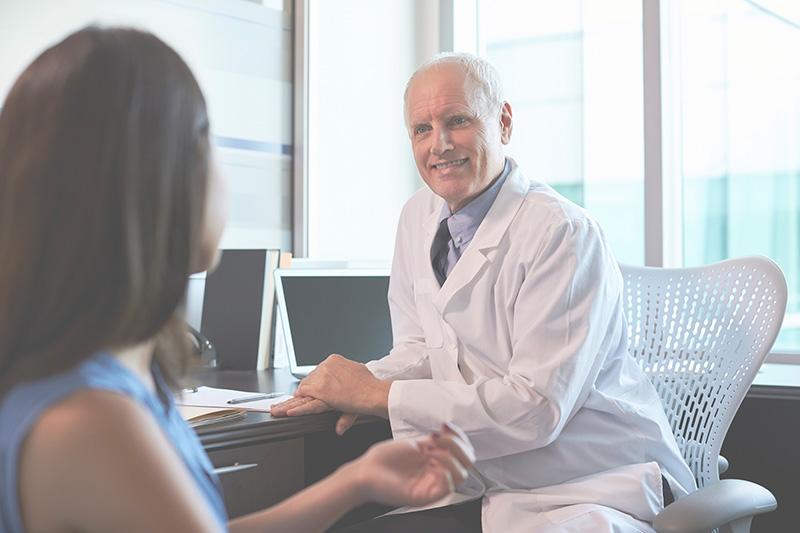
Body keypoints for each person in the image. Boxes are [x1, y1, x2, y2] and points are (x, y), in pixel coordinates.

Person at [0, 28, 475, 533]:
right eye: (207, 141)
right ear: (152, 182)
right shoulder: (91, 423)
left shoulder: (103, 378)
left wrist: (354, 482)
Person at [271, 53, 697, 532]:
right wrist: (351, 384)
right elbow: (422, 348)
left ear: (504, 122)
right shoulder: (418, 216)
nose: (441, 144)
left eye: (458, 121)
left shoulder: (562, 233)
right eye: (422, 129)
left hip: (594, 483)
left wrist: (380, 395)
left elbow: (537, 408)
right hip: (495, 485)